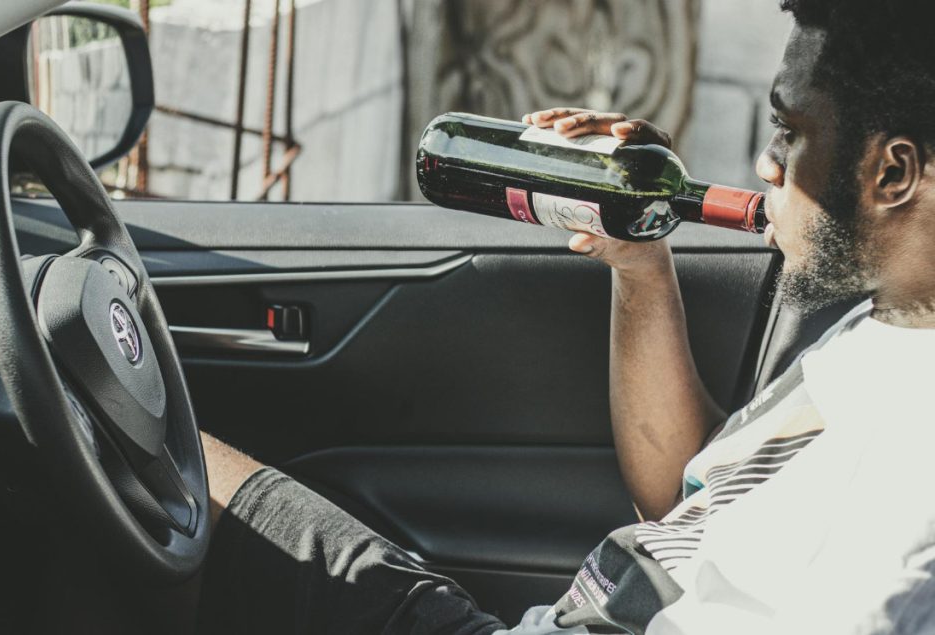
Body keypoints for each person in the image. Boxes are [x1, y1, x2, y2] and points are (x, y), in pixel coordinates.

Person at [196, 1, 935, 633]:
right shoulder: (886, 323)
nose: (766, 165)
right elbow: (686, 498)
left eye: (790, 132)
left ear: (892, 172)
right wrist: (639, 262)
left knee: (138, 454)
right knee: (169, 464)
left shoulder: (911, 502)